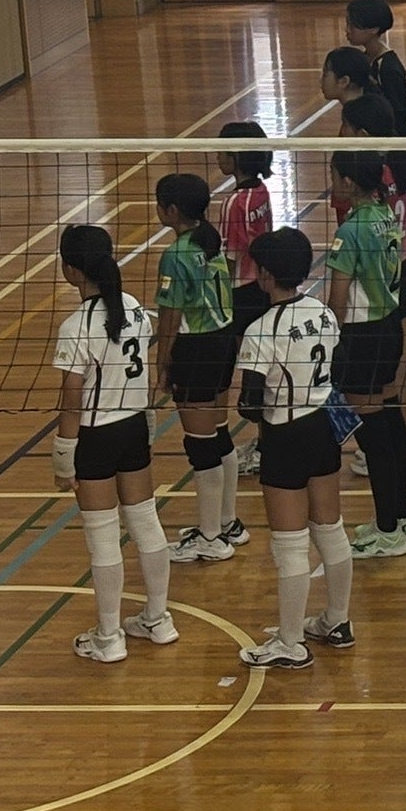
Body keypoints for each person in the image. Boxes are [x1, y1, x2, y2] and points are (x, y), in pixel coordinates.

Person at [232, 228, 353, 668]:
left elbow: (249, 404)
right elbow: (338, 367)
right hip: (323, 427)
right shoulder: (323, 313)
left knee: (290, 545)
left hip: (285, 434)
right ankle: (337, 621)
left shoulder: (262, 330)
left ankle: (289, 642)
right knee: (330, 529)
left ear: (266, 274)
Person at [53, 225, 171, 664]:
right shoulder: (135, 309)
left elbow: (71, 399)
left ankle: (109, 637)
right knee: (145, 522)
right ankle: (158, 619)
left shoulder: (76, 326)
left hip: (97, 436)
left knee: (103, 537)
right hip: (134, 427)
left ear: (70, 270)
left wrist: (63, 460)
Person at [329, 153, 406, 560]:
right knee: (391, 419)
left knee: (372, 433)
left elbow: (339, 295)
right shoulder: (385, 215)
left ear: (349, 181)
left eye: (334, 176)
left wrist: (330, 338)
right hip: (390, 326)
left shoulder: (351, 229)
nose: (332, 183)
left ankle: (387, 530)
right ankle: (403, 516)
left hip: (361, 335)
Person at [151, 174, 242, 563]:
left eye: (159, 204)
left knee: (200, 444)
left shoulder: (176, 254)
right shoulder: (209, 239)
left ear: (172, 210)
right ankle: (227, 522)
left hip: (196, 349)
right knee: (218, 433)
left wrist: (162, 366)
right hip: (223, 340)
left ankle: (210, 538)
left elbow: (170, 318)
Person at [217, 122, 275, 475]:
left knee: (254, 375)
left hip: (241, 294)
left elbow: (229, 259)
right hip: (263, 290)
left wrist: (216, 297)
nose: (217, 155)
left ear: (235, 157)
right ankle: (267, 442)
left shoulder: (233, 203)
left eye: (222, 150)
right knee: (265, 370)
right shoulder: (262, 192)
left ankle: (267, 448)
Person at [345, 0, 406, 136]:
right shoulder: (365, 59)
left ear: (373, 29)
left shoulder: (388, 68)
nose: (347, 30)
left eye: (352, 25)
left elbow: (400, 112)